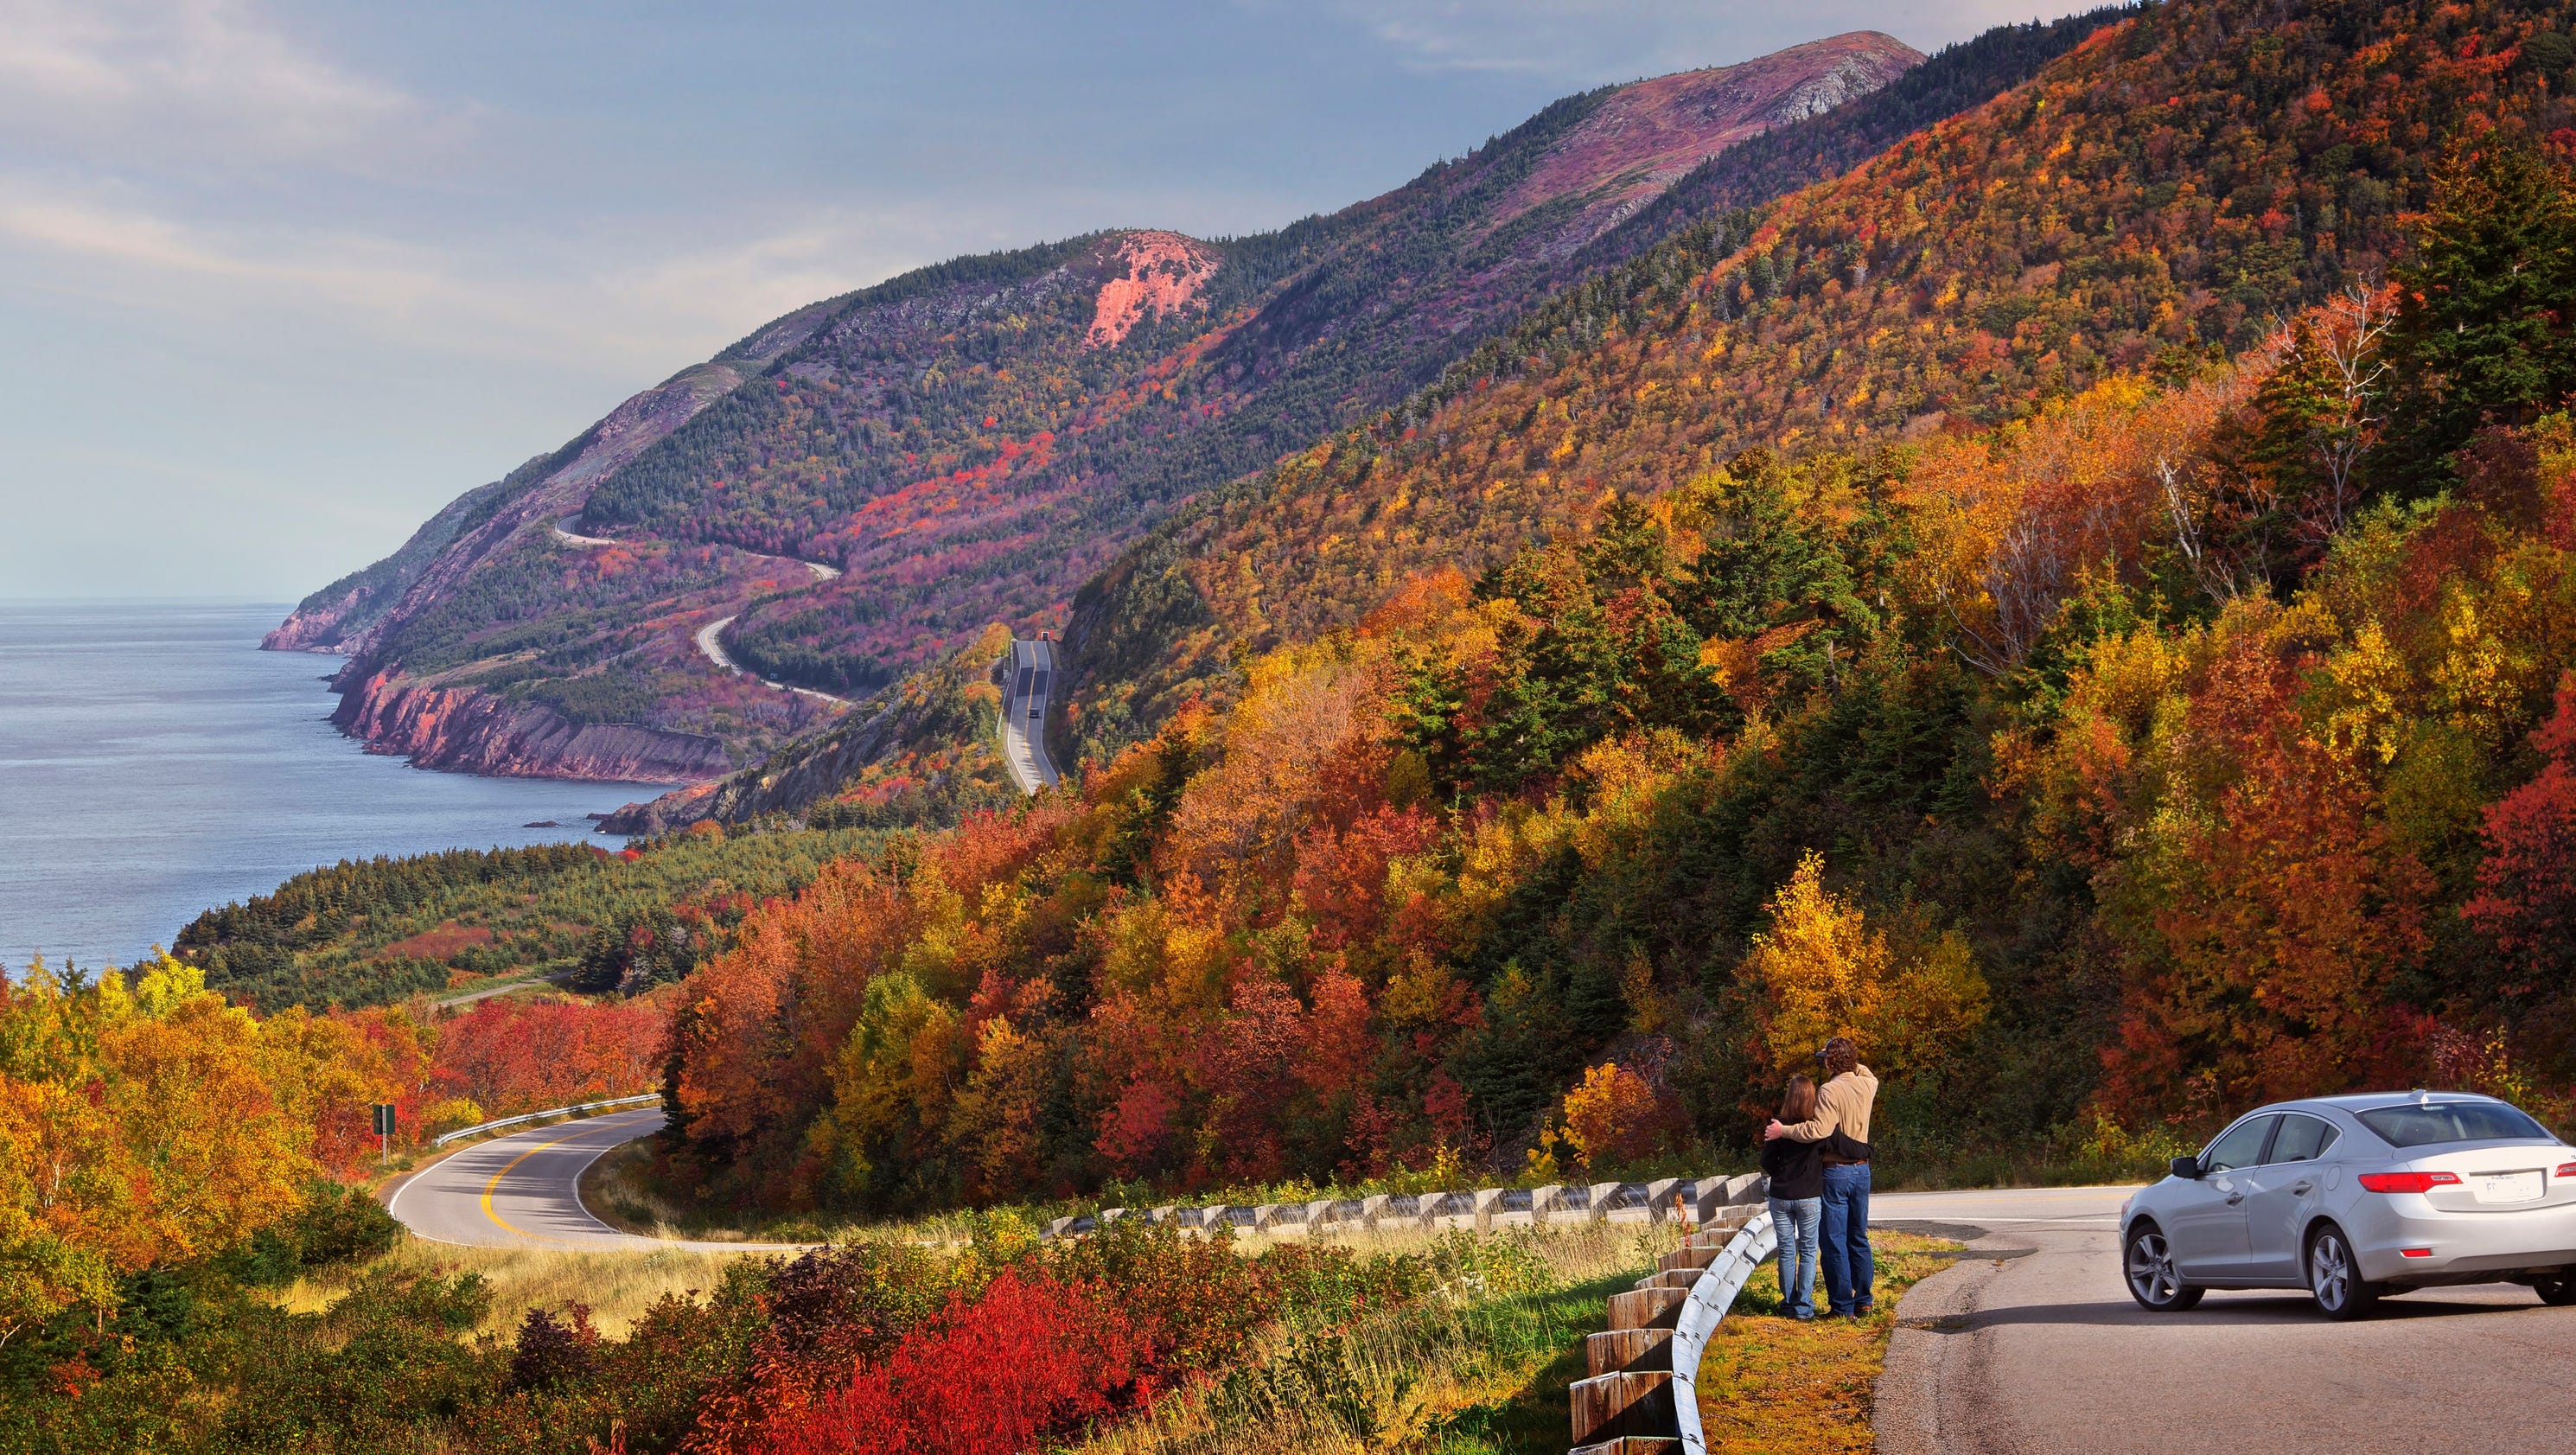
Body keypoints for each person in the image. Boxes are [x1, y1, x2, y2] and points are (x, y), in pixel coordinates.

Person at [1764, 1036, 1878, 1317]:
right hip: (1862, 1170)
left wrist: (1786, 1131)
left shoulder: (1829, 1090)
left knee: (1833, 1240)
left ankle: (1842, 1306)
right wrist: (1847, 1058)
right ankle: (1864, 1299)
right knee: (1859, 1237)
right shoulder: (1868, 1083)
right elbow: (1864, 1070)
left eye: (1825, 1059)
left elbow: (1819, 1130)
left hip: (1836, 1172)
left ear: (1829, 1061)